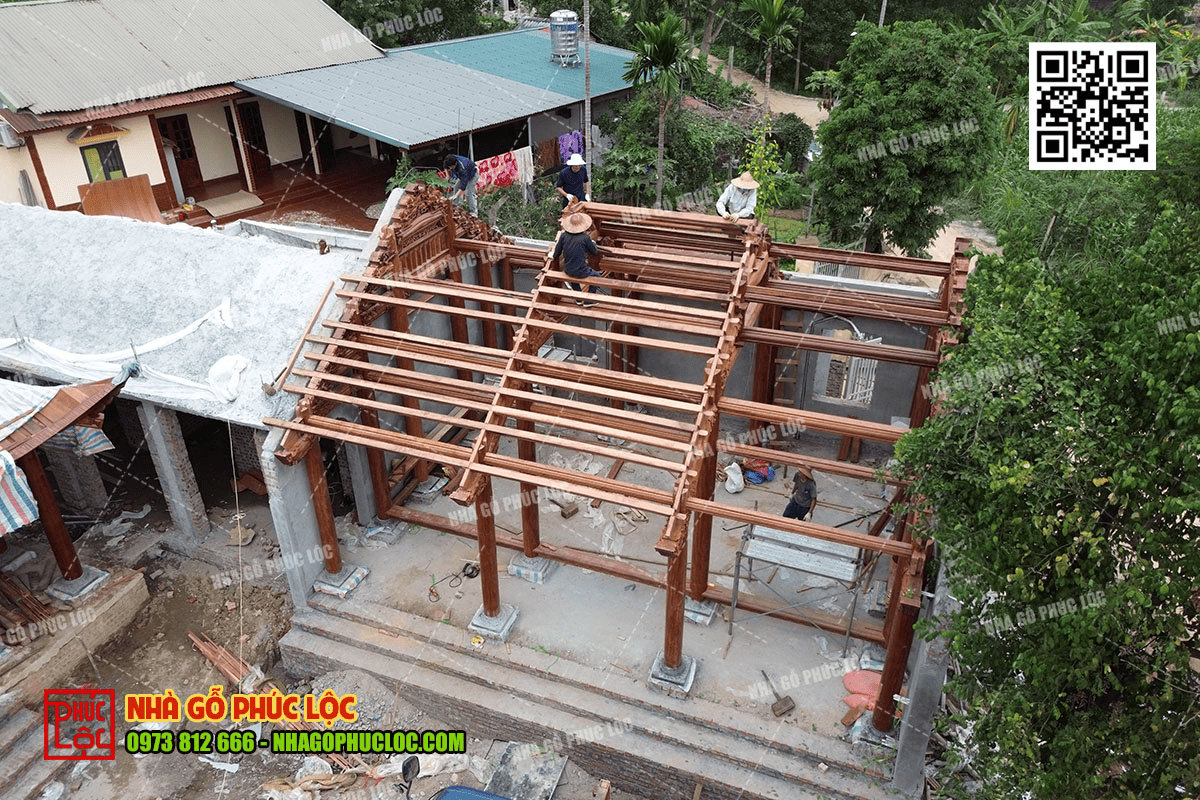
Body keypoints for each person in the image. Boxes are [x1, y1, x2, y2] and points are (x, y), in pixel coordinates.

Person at [552, 212, 601, 307]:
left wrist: (553, 257)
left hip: (568, 270)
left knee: (573, 276)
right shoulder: (585, 238)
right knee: (597, 276)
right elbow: (594, 252)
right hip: (581, 271)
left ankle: (579, 299)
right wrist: (593, 243)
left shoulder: (563, 236)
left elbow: (557, 252)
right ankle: (588, 301)